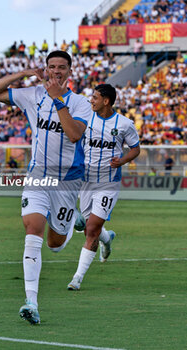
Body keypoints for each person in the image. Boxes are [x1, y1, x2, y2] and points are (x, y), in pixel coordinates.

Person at [0, 50, 91, 324]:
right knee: (33, 229)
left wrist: (57, 100)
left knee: (55, 244)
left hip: (66, 183)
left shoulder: (80, 103)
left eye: (62, 67)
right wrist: (23, 74)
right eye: (52, 67)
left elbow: (74, 134)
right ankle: (31, 301)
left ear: (69, 71)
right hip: (37, 178)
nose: (56, 71)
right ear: (46, 69)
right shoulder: (32, 94)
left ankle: (72, 223)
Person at [67, 84, 140, 291]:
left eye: (95, 97)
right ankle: (107, 240)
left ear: (106, 101)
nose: (91, 100)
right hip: (86, 182)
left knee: (91, 229)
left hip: (108, 183)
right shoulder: (86, 120)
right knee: (90, 229)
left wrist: (123, 160)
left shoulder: (124, 124)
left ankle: (77, 278)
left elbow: (135, 149)